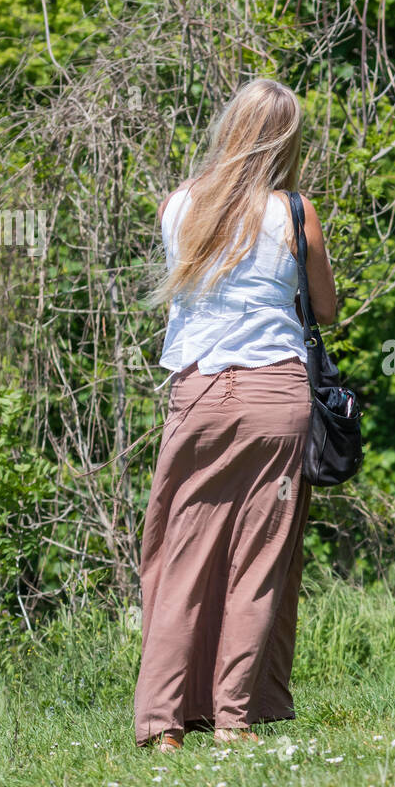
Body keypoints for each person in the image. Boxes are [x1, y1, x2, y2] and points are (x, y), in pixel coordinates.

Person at [133, 78, 337, 752]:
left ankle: (162, 725)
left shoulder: (177, 207)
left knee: (180, 559)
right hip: (277, 397)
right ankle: (234, 719)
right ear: (288, 140)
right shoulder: (295, 212)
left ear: (228, 128)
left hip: (197, 395)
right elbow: (325, 310)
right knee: (260, 559)